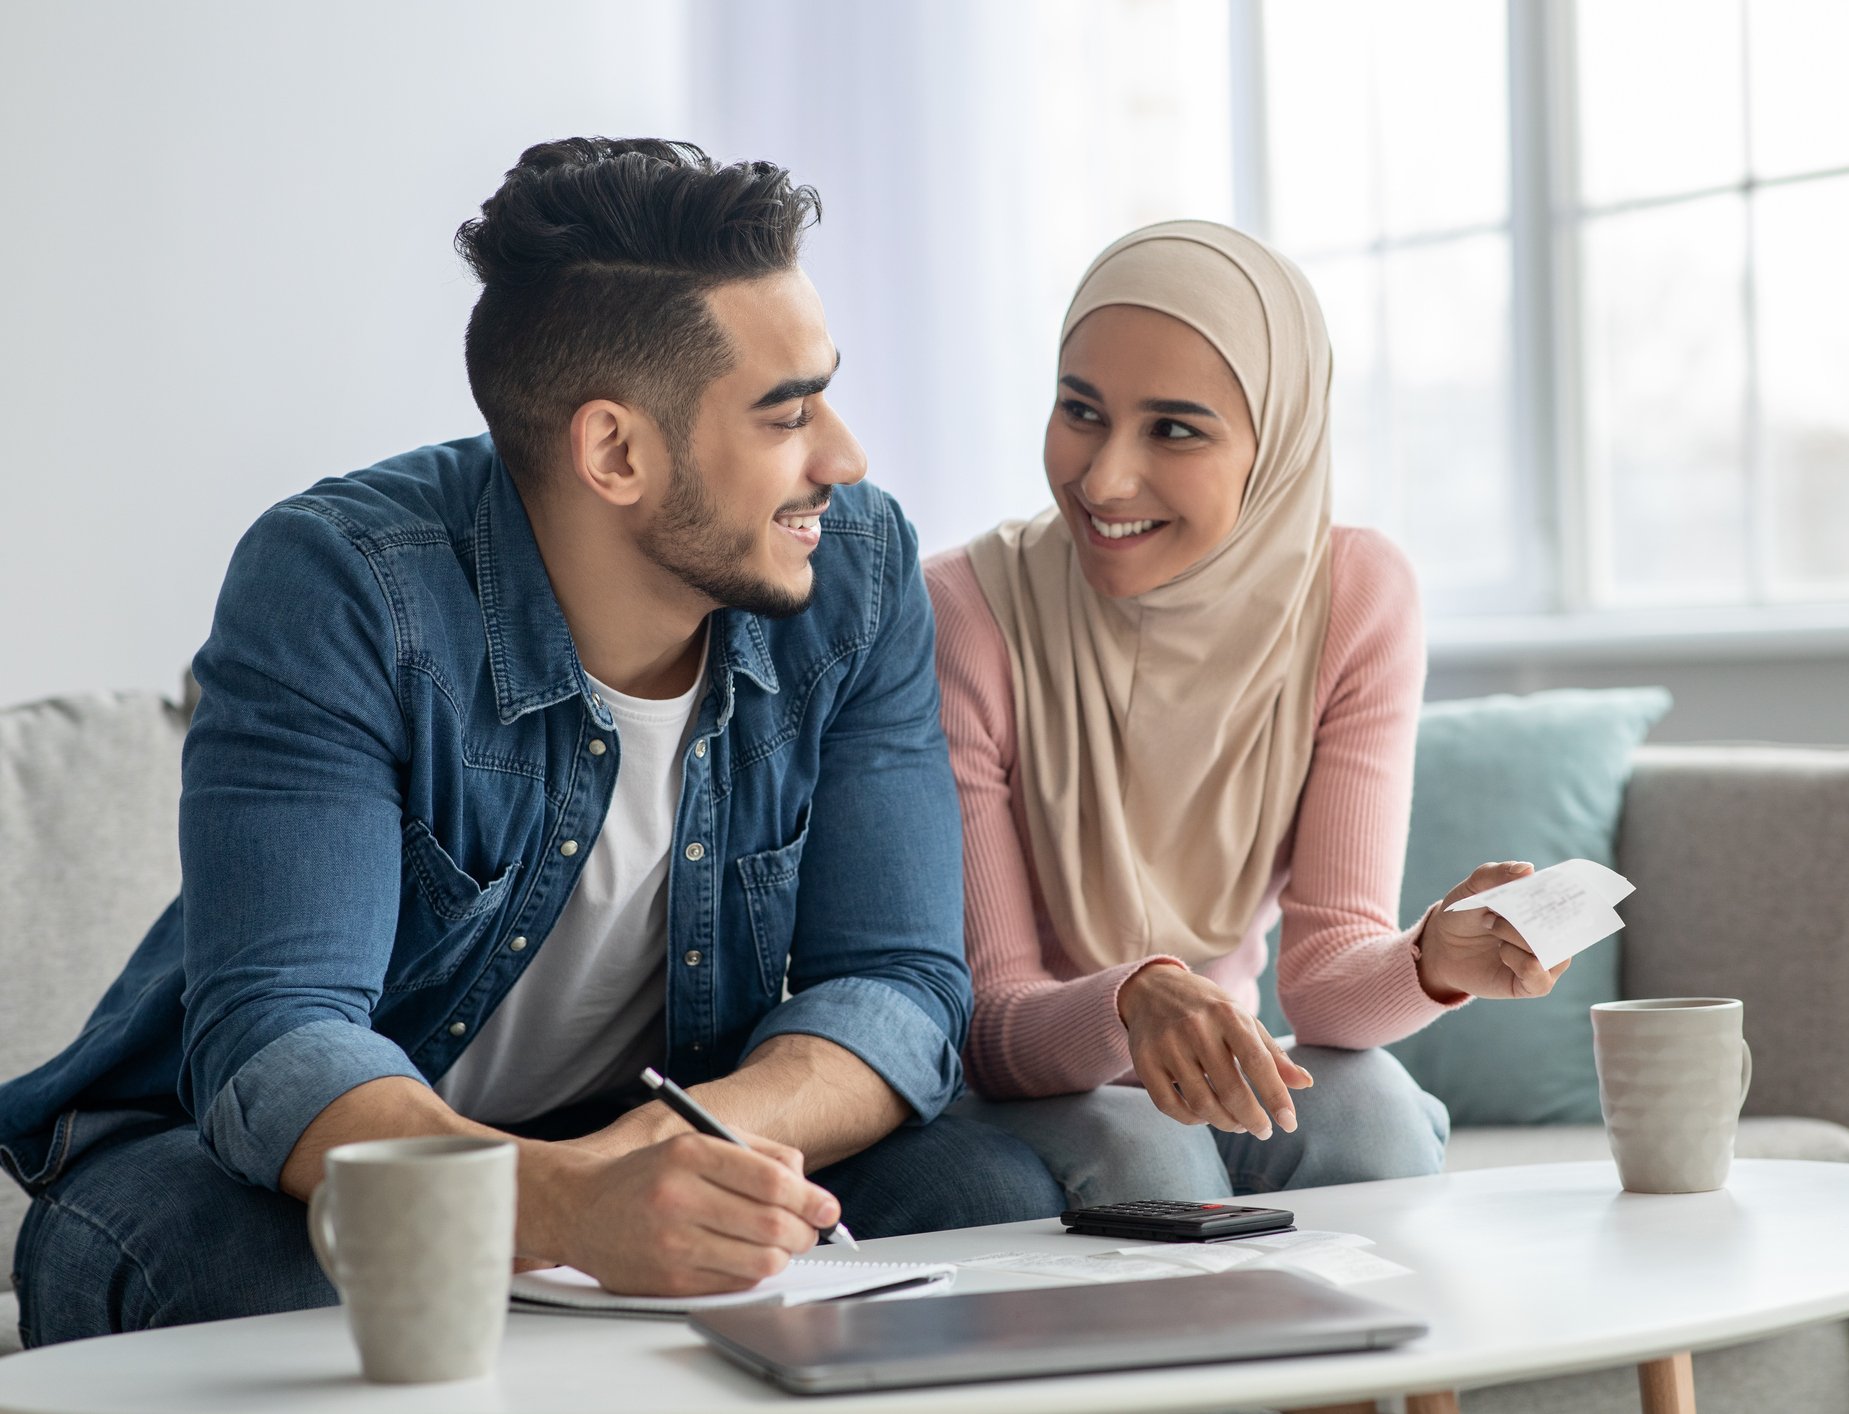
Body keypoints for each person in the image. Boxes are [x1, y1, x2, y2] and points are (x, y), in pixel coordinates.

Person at [0, 138, 1062, 1348]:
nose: (844, 458)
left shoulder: (853, 572)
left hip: (641, 1114)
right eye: (787, 413)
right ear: (615, 451)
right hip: (235, 1162)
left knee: (980, 1195)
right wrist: (560, 1200)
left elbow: (898, 982)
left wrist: (675, 1143)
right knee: (285, 1282)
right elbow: (278, 1034)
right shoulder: (345, 586)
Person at [928, 221, 1570, 1207]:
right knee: (1153, 1157)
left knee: (1373, 1115)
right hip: (1026, 1083)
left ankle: (1370, 1368)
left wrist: (1429, 958)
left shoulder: (1353, 598)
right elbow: (990, 1025)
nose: (1103, 479)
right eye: (1080, 410)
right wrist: (1135, 999)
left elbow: (1321, 984)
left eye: (1175, 429)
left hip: (1215, 1058)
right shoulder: (968, 613)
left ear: (1275, 442)